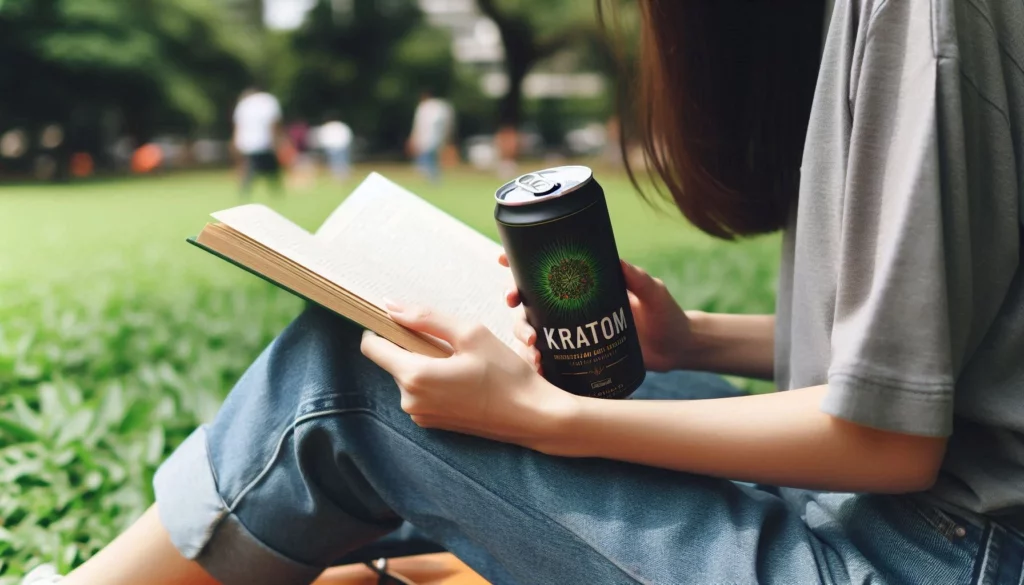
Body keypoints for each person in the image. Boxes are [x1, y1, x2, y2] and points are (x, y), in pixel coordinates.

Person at [27, 0, 1024, 583]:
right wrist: (694, 340)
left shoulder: (919, 17)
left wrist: (548, 421)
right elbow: (940, 351)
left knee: (357, 387)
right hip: (897, 519)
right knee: (444, 397)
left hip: (915, 556)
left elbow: (888, 441)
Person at [232, 86, 284, 197]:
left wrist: (236, 143)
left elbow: (238, 127)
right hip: (265, 142)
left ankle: (244, 194)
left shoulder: (243, 104)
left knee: (249, 172)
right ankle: (276, 194)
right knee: (271, 172)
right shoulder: (268, 101)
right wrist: (276, 140)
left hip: (248, 144)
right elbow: (273, 123)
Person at [407, 90, 453, 183]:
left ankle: (431, 177)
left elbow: (419, 125)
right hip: (435, 138)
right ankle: (432, 177)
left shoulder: (425, 107)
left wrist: (414, 137)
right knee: (431, 158)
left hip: (429, 138)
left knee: (428, 157)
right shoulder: (440, 107)